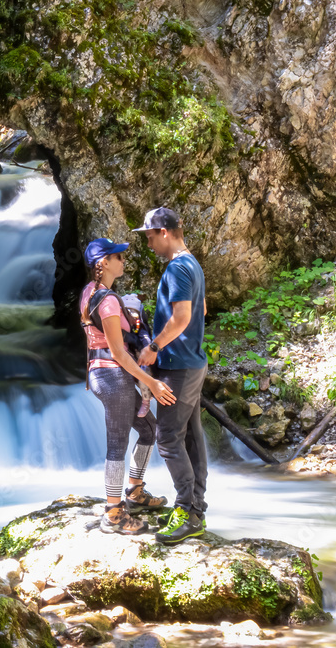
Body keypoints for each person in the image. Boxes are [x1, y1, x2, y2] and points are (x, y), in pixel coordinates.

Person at [80, 238, 175, 535]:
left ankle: (134, 491)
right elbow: (119, 352)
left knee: (149, 429)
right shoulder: (106, 301)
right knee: (117, 444)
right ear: (103, 263)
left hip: (106, 374)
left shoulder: (91, 292)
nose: (123, 260)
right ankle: (113, 513)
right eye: (117, 256)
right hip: (111, 376)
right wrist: (151, 382)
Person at [133, 207, 209, 545]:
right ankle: (196, 509)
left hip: (178, 366)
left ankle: (186, 510)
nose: (148, 244)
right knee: (190, 436)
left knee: (167, 438)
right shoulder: (192, 264)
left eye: (150, 237)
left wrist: (152, 348)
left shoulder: (178, 267)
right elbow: (202, 310)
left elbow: (182, 317)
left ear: (164, 232)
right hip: (192, 363)